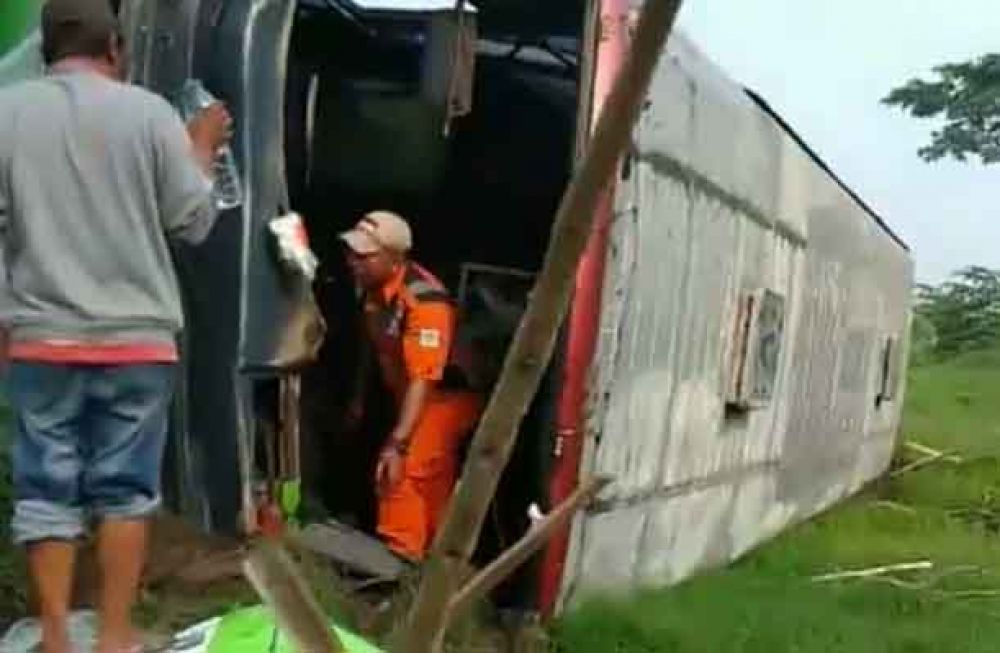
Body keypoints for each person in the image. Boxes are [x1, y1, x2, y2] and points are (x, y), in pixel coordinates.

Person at [0, 1, 232, 651]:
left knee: (45, 491)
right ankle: (115, 635)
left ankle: (53, 636)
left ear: (48, 49)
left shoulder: (8, 114)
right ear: (117, 48)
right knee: (126, 491)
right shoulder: (150, 113)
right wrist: (204, 148)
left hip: (41, 338)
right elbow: (194, 218)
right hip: (137, 340)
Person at [341, 211, 482, 561]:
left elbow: (425, 377)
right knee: (431, 481)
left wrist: (398, 444)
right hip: (411, 395)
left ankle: (398, 563)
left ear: (395, 258)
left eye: (365, 256)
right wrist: (358, 398)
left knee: (400, 472)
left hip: (444, 397)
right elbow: (371, 346)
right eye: (351, 252)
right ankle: (441, 564)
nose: (353, 262)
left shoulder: (426, 303)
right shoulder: (371, 291)